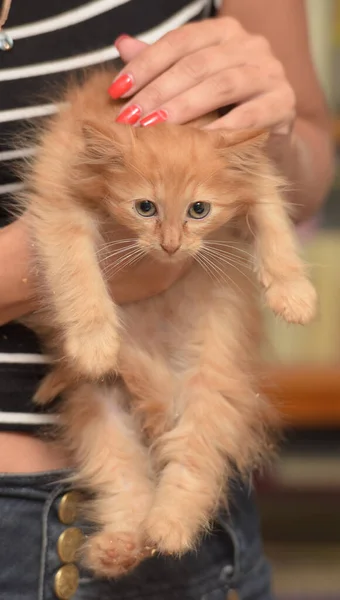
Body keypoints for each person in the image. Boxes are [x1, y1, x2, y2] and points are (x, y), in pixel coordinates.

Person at [0, 1, 333, 599]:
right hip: (51, 459)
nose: (173, 244)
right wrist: (34, 276)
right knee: (98, 399)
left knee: (210, 383)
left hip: (195, 569)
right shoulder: (89, 161)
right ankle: (128, 514)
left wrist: (273, 133)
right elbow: (61, 217)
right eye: (149, 212)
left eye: (195, 216)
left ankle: (182, 501)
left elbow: (289, 167)